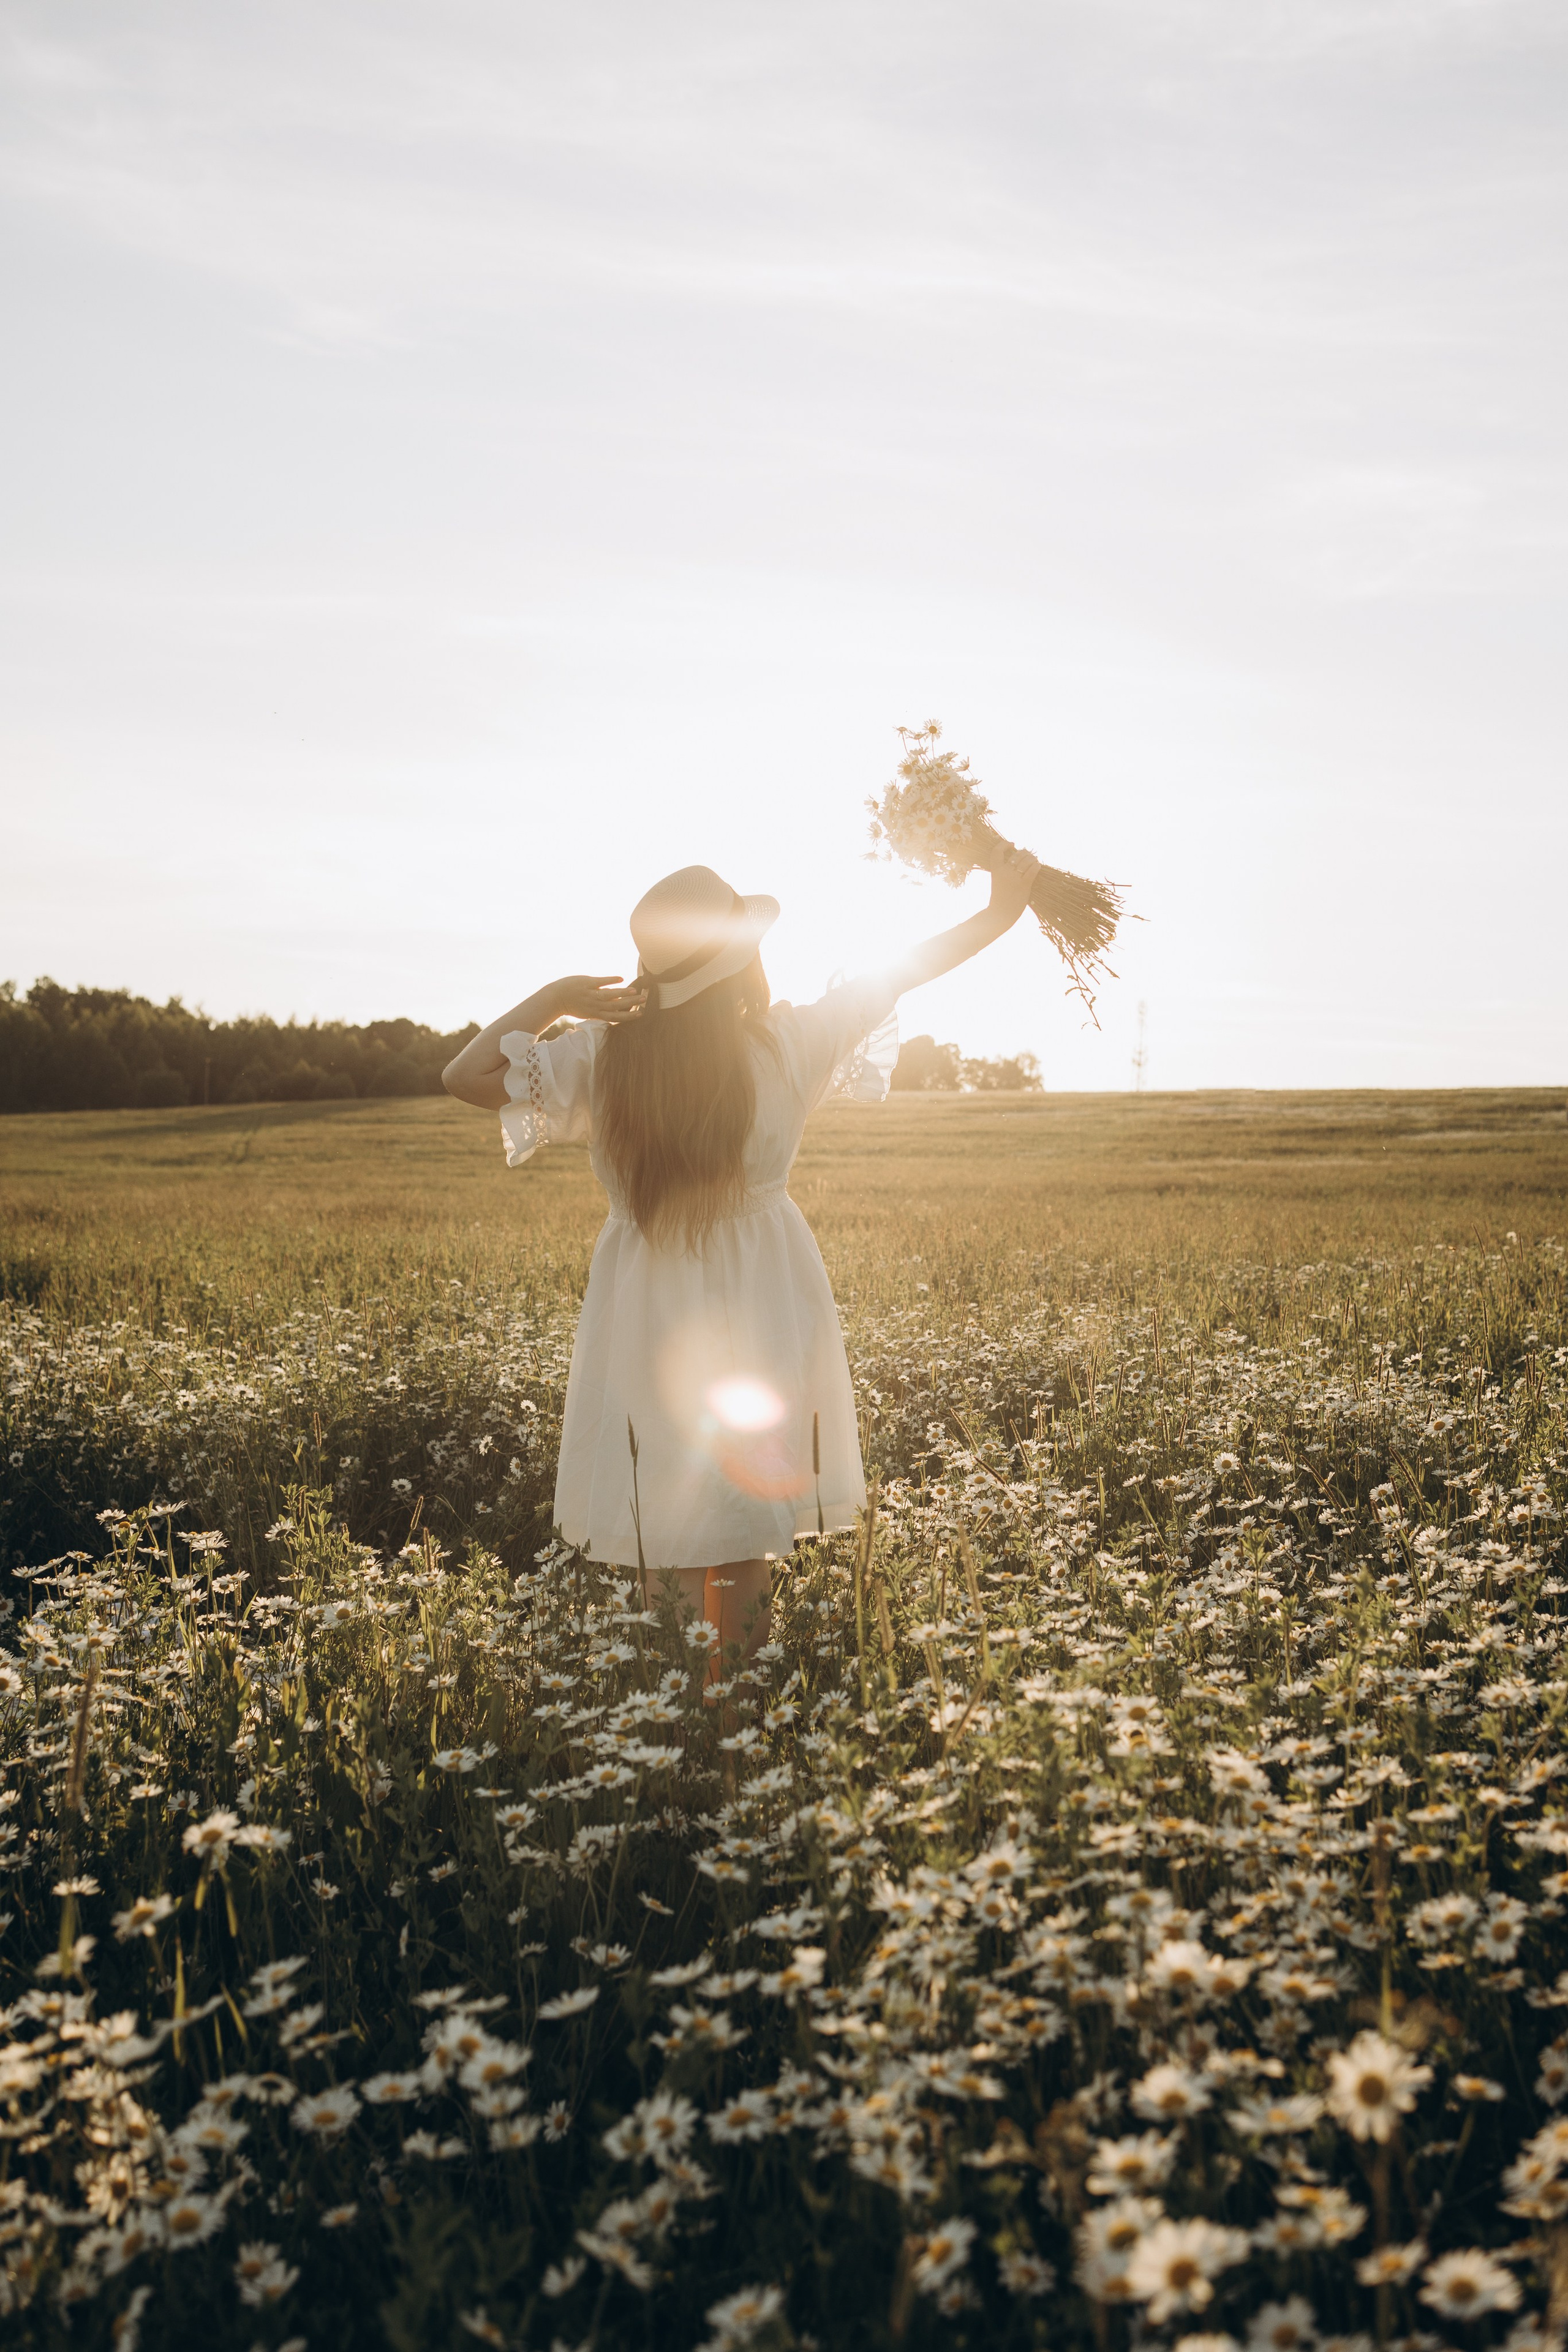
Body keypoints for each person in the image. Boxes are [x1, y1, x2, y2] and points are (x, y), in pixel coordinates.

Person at [442, 848, 1040, 1662]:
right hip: (764, 1298)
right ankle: (734, 1713)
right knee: (740, 1531)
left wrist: (557, 998)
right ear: (743, 961)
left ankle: (687, 1718)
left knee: (668, 1517)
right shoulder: (789, 1042)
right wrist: (999, 914)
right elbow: (905, 971)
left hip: (648, 1311)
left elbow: (465, 1074)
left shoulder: (601, 1057)